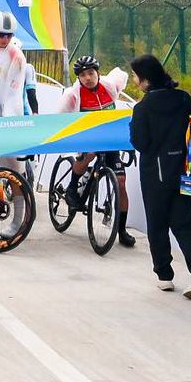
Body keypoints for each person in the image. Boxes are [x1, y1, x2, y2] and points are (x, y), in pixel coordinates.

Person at [127, 54, 191, 298]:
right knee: (184, 221)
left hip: (156, 176)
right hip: (187, 173)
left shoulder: (143, 108)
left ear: (145, 79)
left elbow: (141, 143)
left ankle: (164, 276)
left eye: (135, 76)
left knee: (157, 224)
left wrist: (133, 126)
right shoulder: (183, 98)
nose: (134, 80)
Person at [70, 56, 135, 248]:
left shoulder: (109, 86)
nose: (88, 78)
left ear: (98, 73)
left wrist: (128, 143)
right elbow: (62, 117)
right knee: (89, 154)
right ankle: (72, 187)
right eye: (83, 75)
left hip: (109, 138)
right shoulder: (74, 93)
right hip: (88, 135)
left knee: (121, 183)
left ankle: (122, 230)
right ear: (78, 78)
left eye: (91, 73)